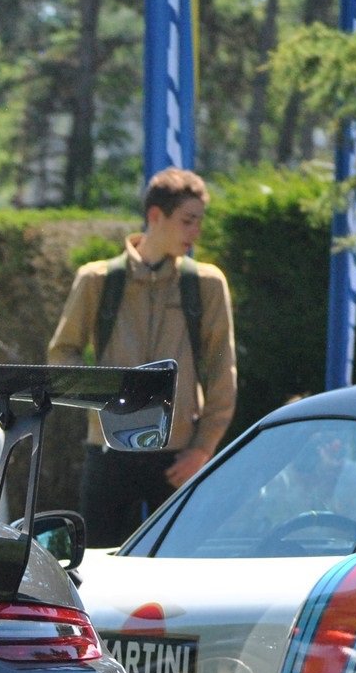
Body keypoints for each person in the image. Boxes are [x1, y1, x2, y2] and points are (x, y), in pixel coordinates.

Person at [48, 168, 237, 545]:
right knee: (98, 569)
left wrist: (202, 448)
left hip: (177, 458)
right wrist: (99, 403)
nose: (196, 231)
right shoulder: (97, 279)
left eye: (199, 221)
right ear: (155, 216)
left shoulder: (207, 284)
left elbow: (222, 371)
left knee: (180, 575)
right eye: (187, 220)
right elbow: (61, 354)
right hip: (108, 453)